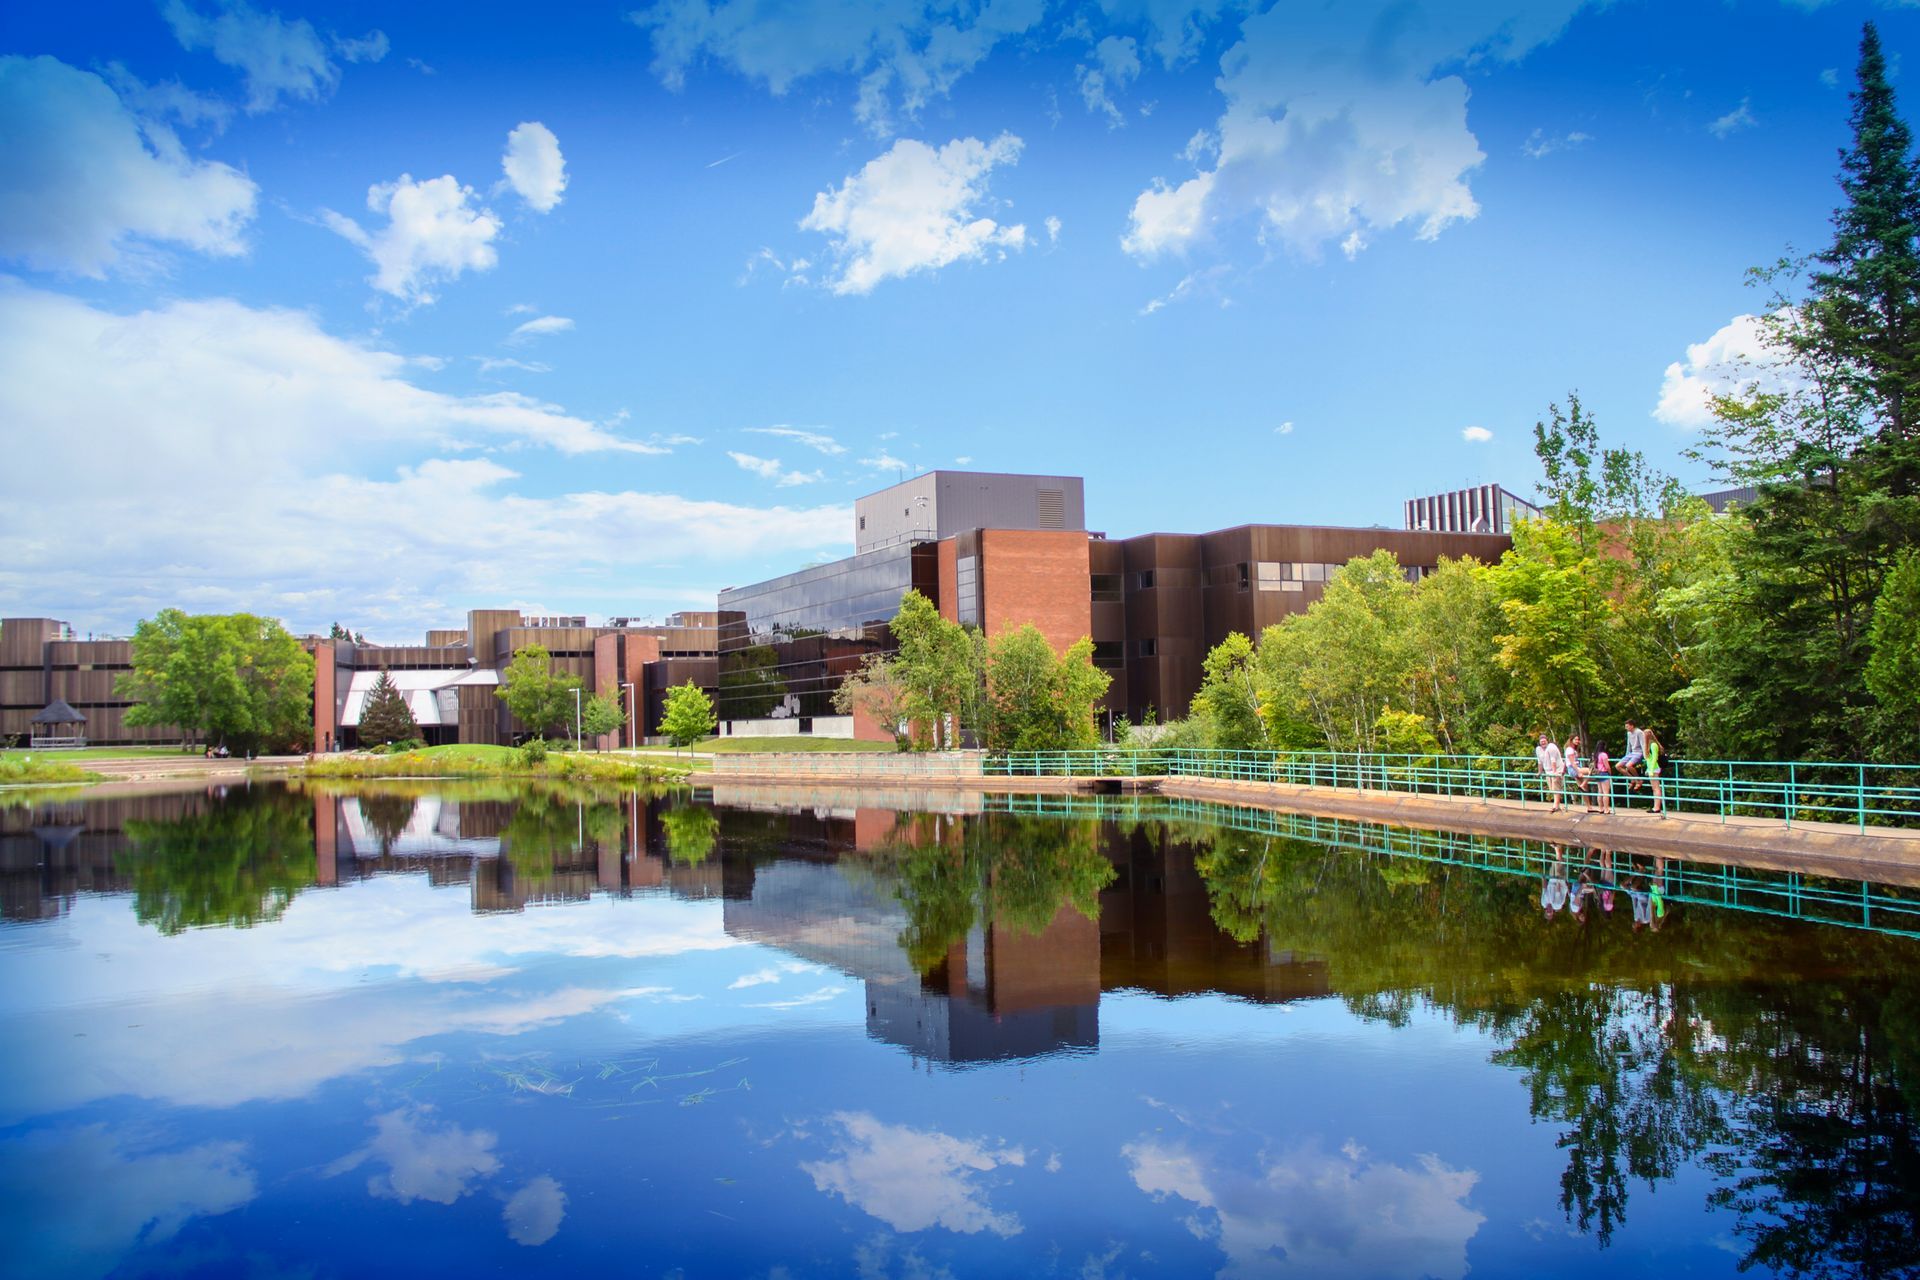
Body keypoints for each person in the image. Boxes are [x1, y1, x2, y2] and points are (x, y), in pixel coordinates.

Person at [1535, 733, 1566, 811]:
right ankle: (1557, 805)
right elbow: (1540, 761)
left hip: (1557, 769)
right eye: (1541, 741)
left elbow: (1553, 760)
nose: (1543, 743)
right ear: (1539, 742)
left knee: (1556, 787)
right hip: (1547, 770)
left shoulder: (1551, 747)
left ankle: (1555, 805)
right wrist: (1539, 772)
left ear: (1547, 741)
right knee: (1552, 789)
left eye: (1544, 741)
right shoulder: (1538, 749)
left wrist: (1555, 772)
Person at [1619, 721, 1646, 788]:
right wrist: (1626, 755)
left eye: (1627, 726)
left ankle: (1639, 780)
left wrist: (1645, 755)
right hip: (1632, 753)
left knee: (1628, 765)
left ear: (1632, 726)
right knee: (1618, 766)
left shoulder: (1639, 732)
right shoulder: (1629, 733)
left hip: (1639, 752)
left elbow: (1643, 744)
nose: (1626, 728)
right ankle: (1632, 779)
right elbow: (1629, 745)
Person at [1645, 730, 1665, 814]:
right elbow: (1649, 760)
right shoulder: (1649, 745)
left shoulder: (1653, 745)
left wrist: (1651, 770)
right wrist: (1648, 769)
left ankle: (1657, 807)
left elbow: (1654, 758)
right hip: (1651, 769)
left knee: (1656, 788)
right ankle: (1656, 806)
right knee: (1655, 788)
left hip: (1654, 769)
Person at [1593, 749, 1613, 814]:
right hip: (1604, 773)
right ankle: (1606, 809)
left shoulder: (1596, 754)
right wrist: (1610, 773)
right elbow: (1607, 766)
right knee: (1606, 792)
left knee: (1600, 791)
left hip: (1598, 774)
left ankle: (1601, 808)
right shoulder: (1603, 755)